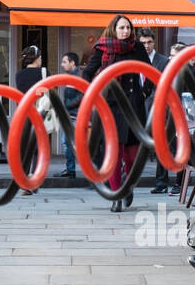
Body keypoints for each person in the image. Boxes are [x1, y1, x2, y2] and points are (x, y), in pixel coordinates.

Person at [82, 15, 149, 212]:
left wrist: (144, 93)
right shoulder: (103, 48)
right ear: (114, 29)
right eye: (121, 28)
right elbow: (87, 73)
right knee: (114, 153)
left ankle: (128, 188)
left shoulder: (136, 47)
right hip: (111, 106)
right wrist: (94, 92)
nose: (125, 31)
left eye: (128, 28)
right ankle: (116, 195)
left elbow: (151, 72)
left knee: (131, 156)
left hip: (133, 106)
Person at [14, 45, 46, 195]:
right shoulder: (44, 72)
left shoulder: (19, 75)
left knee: (25, 147)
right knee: (39, 148)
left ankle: (24, 181)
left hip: (24, 112)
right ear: (38, 58)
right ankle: (35, 180)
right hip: (41, 112)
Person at [59, 51, 82, 180]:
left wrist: (69, 105)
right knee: (67, 142)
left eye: (64, 62)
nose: (62, 65)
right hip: (71, 115)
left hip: (76, 115)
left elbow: (82, 95)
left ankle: (72, 169)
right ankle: (70, 169)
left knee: (72, 143)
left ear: (72, 63)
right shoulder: (71, 76)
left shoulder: (78, 76)